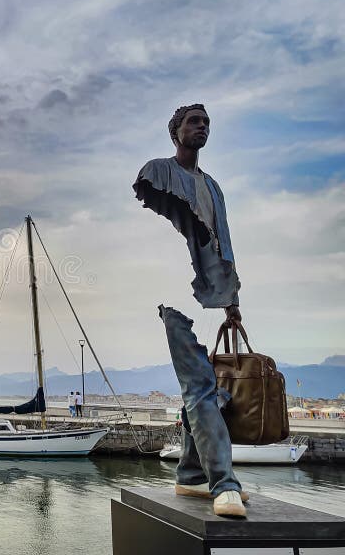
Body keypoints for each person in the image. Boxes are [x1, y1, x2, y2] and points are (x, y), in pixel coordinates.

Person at [133, 104, 247, 518]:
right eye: (193, 122)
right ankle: (224, 482)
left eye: (207, 123)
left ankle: (191, 474)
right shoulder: (156, 170)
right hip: (171, 291)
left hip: (208, 292)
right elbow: (161, 217)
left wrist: (231, 301)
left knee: (205, 391)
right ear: (175, 131)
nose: (202, 128)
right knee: (200, 386)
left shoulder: (213, 187)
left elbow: (223, 242)